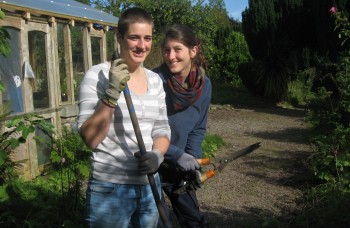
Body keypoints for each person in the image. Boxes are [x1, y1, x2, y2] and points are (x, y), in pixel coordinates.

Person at [77, 7, 171, 228]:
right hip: (110, 189)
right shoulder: (97, 76)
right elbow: (90, 138)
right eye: (134, 37)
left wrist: (158, 154)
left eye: (147, 38)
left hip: (150, 187)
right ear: (119, 37)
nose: (142, 45)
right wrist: (111, 93)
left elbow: (162, 128)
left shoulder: (155, 80)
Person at [153, 24, 212, 228]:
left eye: (177, 49)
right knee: (159, 222)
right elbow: (145, 130)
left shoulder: (204, 85)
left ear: (193, 51)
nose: (171, 56)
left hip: (180, 169)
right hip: (152, 164)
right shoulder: (154, 82)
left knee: (194, 221)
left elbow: (198, 127)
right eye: (166, 50)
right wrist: (177, 154)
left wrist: (193, 158)